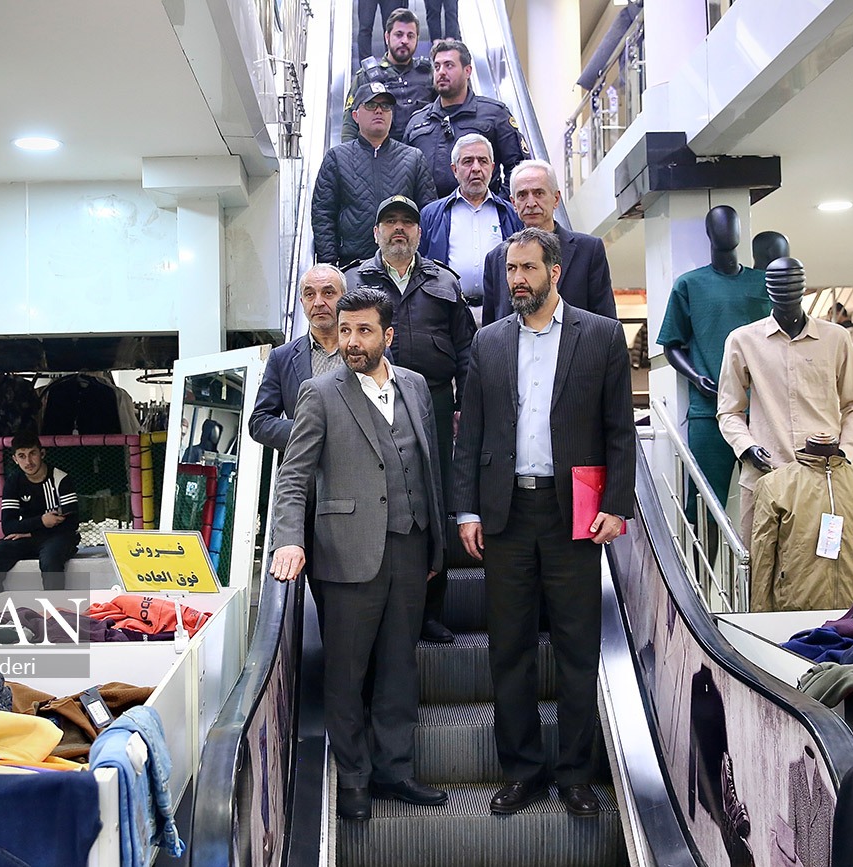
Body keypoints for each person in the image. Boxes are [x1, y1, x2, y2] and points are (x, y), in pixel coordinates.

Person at [451, 227, 635, 818]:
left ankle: (576, 774)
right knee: (509, 648)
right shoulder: (488, 342)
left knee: (578, 648)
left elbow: (619, 431)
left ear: (554, 272)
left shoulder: (600, 335)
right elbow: (471, 433)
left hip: (572, 514)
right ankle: (522, 771)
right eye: (511, 270)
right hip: (506, 514)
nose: (517, 280)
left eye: (528, 268)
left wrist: (617, 505)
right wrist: (468, 509)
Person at [269, 288, 448, 821]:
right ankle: (353, 779)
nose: (351, 341)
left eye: (363, 331)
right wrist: (288, 538)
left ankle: (395, 769)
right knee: (346, 674)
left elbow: (429, 466)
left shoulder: (415, 385)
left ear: (387, 335)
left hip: (411, 548)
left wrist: (435, 542)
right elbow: (294, 475)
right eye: (345, 330)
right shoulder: (319, 393)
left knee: (398, 666)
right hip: (346, 552)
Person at [346, 195, 475, 643]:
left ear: (420, 231)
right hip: (370, 400)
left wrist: (464, 405)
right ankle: (380, 611)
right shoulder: (354, 280)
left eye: (407, 222)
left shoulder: (444, 280)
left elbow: (466, 348)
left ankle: (429, 612)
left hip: (433, 402)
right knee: (380, 498)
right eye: (390, 222)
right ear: (376, 231)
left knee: (433, 502)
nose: (398, 229)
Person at [716, 258, 853, 545]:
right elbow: (729, 410)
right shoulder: (742, 340)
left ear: (802, 287)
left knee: (824, 564)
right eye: (779, 286)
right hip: (764, 476)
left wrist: (845, 452)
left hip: (824, 478)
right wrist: (746, 447)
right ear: (769, 290)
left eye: (791, 285)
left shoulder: (836, 339)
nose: (786, 292)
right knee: (757, 564)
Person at [657, 205, 770, 522]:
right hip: (710, 412)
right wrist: (695, 377)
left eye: (732, 224)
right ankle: (700, 558)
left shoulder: (763, 283)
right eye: (719, 225)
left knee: (770, 502)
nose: (727, 231)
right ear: (708, 233)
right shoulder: (689, 284)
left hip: (763, 411)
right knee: (704, 505)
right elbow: (672, 345)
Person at [312, 82, 436, 268]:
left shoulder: (413, 158)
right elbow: (323, 214)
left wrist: (424, 262)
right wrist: (329, 264)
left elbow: (428, 214)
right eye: (370, 105)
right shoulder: (337, 158)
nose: (379, 111)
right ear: (355, 115)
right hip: (353, 266)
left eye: (385, 106)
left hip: (403, 265)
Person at [482, 160, 617, 326]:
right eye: (522, 195)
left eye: (539, 193)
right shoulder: (495, 259)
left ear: (556, 199)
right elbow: (490, 329)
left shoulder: (588, 251)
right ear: (513, 203)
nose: (531, 203)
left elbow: (606, 323)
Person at [404, 39, 529, 198]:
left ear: (467, 71)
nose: (441, 72)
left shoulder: (495, 114)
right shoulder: (417, 121)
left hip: (481, 208)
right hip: (429, 211)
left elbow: (519, 169)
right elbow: (404, 174)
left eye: (449, 65)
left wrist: (498, 205)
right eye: (437, 66)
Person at [418, 133, 523, 322]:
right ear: (454, 169)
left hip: (500, 315)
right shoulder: (430, 215)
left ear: (492, 168)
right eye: (467, 161)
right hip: (448, 314)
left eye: (482, 161)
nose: (476, 168)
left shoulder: (510, 214)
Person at [249, 264, 347, 451]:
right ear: (302, 302)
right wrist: (308, 433)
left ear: (344, 298)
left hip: (357, 465)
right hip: (304, 465)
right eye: (310, 294)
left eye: (328, 293)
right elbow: (259, 422)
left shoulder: (368, 350)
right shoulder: (281, 358)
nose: (318, 302)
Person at [0, 431, 79, 595]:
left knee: (50, 560)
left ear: (42, 454)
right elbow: (8, 526)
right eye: (22, 456)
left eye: (32, 454)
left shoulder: (61, 479)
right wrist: (41, 522)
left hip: (58, 537)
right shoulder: (13, 482)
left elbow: (71, 523)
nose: (28, 461)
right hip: (29, 537)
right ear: (15, 459)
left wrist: (31, 531)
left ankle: (55, 608)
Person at [342, 9, 434, 145]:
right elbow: (349, 125)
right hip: (381, 153)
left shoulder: (429, 73)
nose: (404, 41)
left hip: (423, 151)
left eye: (410, 36)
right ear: (387, 37)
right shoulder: (366, 77)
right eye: (399, 35)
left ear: (417, 39)